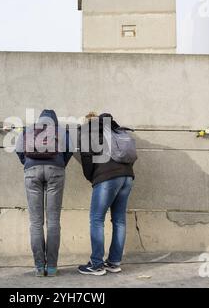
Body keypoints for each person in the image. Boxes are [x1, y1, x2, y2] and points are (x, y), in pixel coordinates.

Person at [15, 109, 73, 277]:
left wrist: (27, 163)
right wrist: (61, 163)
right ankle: (53, 267)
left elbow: (19, 149)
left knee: (35, 222)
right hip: (56, 170)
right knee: (53, 221)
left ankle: (40, 267)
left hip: (31, 171)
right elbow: (69, 151)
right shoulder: (61, 130)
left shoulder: (28, 129)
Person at [78, 113, 136, 276]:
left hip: (107, 179)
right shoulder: (119, 131)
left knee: (96, 219)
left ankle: (96, 264)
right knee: (119, 220)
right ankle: (114, 262)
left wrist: (94, 178)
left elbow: (86, 159)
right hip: (127, 177)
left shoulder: (88, 131)